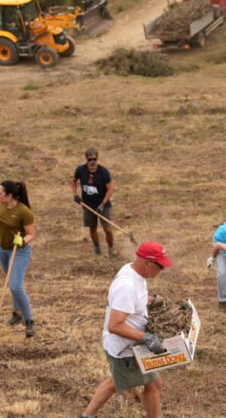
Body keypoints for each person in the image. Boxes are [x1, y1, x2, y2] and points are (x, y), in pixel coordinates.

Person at [81, 242, 173, 418]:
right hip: (125, 348)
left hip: (128, 346)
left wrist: (149, 300)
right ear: (147, 262)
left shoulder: (133, 272)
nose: (162, 270)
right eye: (160, 266)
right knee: (152, 384)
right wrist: (146, 338)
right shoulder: (127, 286)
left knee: (118, 382)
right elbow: (115, 325)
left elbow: (131, 301)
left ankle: (87, 415)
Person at [0, 180, 36, 337]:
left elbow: (31, 234)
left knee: (16, 287)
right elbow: (1, 225)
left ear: (9, 196)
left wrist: (22, 241)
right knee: (11, 282)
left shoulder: (24, 212)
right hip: (4, 250)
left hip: (20, 251)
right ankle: (17, 313)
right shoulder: (3, 205)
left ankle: (29, 321)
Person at [72, 148, 114, 256]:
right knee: (92, 227)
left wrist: (102, 204)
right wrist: (75, 194)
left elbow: (110, 189)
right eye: (90, 159)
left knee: (107, 229)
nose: (92, 161)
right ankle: (97, 248)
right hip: (88, 205)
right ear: (86, 158)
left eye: (94, 159)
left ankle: (111, 248)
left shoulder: (103, 172)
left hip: (103, 205)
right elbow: (73, 181)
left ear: (97, 158)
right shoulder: (80, 170)